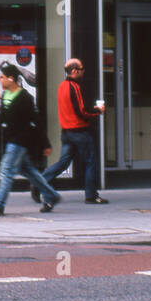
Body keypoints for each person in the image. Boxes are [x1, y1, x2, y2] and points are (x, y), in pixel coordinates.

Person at [0, 63, 57, 215]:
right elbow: (1, 118)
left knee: (6, 171)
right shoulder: (7, 95)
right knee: (29, 172)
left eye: (1, 77)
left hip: (21, 140)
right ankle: (51, 195)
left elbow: (37, 121)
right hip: (12, 139)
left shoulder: (25, 98)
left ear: (11, 78)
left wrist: (45, 144)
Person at [40, 58, 107, 204]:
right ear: (74, 71)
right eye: (82, 69)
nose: (84, 71)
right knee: (90, 162)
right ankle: (91, 195)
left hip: (66, 132)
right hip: (79, 131)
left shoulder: (62, 86)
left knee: (63, 163)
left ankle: (40, 181)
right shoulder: (75, 87)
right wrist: (98, 111)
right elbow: (82, 111)